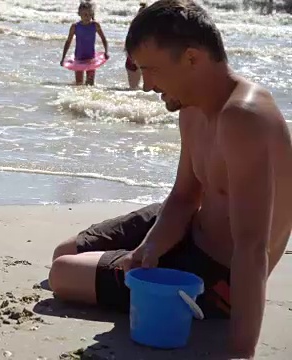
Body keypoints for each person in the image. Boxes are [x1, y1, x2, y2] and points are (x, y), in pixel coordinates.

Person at [48, 0, 292, 358]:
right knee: (65, 251)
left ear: (192, 58)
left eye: (151, 70)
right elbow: (183, 196)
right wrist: (151, 246)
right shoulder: (191, 107)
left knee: (62, 273)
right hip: (189, 225)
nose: (146, 85)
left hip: (214, 276)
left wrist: (240, 352)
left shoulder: (244, 118)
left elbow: (252, 249)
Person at [59, 0, 109, 86]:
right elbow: (68, 42)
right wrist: (63, 57)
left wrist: (106, 51)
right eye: (85, 14)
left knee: (90, 84)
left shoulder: (95, 25)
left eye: (90, 14)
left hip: (91, 58)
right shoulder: (75, 26)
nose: (87, 17)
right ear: (79, 14)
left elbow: (104, 38)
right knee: (79, 84)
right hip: (79, 58)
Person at [125, 2, 147, 89]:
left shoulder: (152, 29)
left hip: (145, 62)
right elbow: (127, 46)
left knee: (142, 89)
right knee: (134, 90)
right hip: (133, 61)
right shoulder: (134, 29)